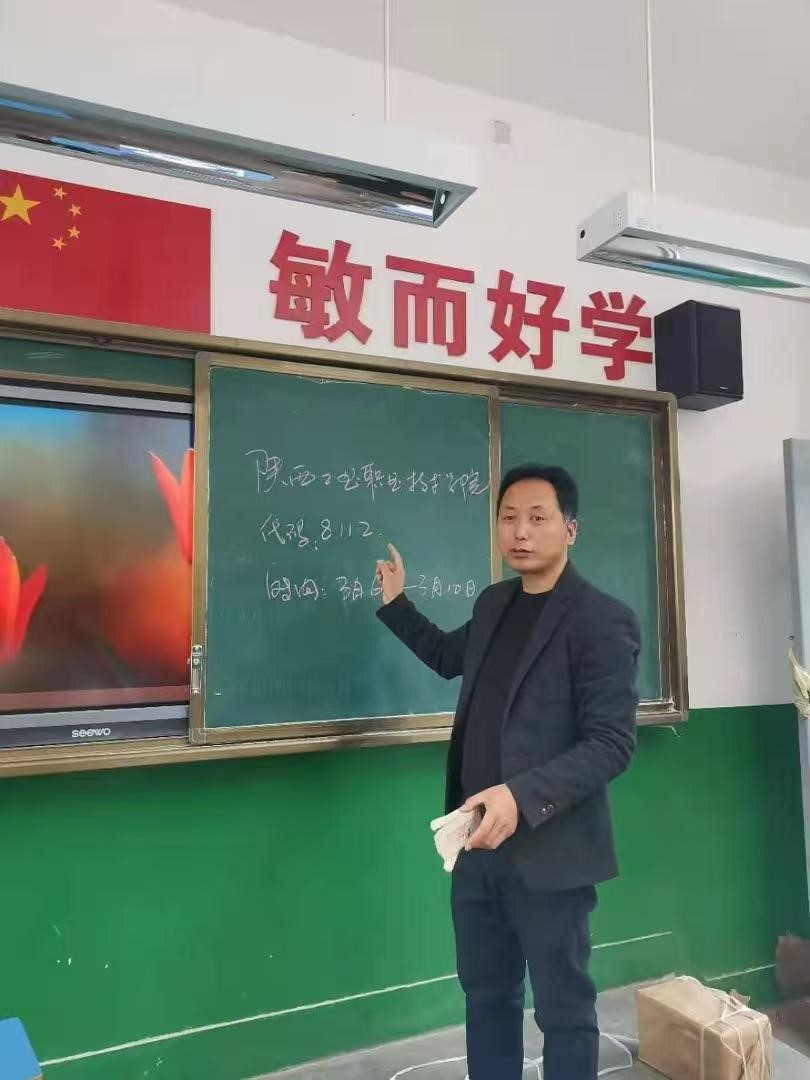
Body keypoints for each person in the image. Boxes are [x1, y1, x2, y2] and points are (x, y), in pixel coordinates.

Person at [375, 463, 641, 1080]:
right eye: (509, 518)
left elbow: (611, 743)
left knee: (563, 1010)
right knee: (486, 996)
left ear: (570, 529)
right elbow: (449, 656)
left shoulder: (601, 619)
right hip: (477, 844)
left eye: (538, 518)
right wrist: (397, 604)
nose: (520, 532)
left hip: (551, 851)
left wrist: (520, 797)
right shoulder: (495, 604)